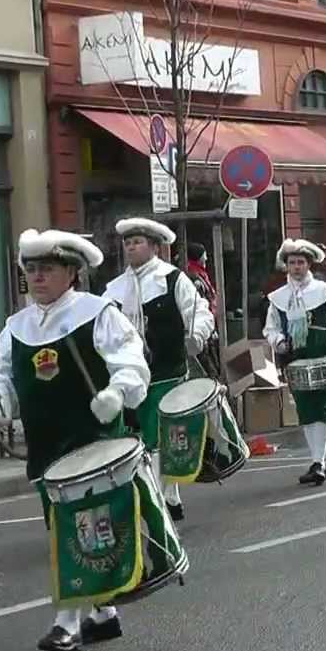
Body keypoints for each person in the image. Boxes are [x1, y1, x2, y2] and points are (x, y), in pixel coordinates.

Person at [0, 229, 150, 651]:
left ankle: (66, 622)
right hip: (45, 443)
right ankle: (104, 615)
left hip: (92, 438)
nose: (37, 278)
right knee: (67, 527)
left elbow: (130, 356)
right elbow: (0, 370)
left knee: (77, 527)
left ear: (71, 272)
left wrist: (118, 392)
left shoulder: (97, 312)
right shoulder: (16, 326)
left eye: (47, 269)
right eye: (31, 270)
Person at [103, 218, 212, 522]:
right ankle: (170, 497)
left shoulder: (173, 279)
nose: (131, 247)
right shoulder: (114, 289)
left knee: (160, 436)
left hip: (168, 369)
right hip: (131, 375)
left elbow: (198, 312)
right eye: (127, 243)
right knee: (142, 439)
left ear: (153, 247)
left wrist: (197, 335)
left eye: (137, 242)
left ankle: (163, 498)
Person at [264, 239, 326, 486]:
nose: (296, 267)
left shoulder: (324, 292)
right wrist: (278, 341)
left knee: (322, 407)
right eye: (292, 263)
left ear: (309, 265)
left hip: (321, 353)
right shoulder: (278, 297)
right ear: (286, 266)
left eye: (301, 263)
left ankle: (319, 461)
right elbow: (270, 328)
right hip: (296, 359)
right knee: (305, 409)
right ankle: (315, 460)